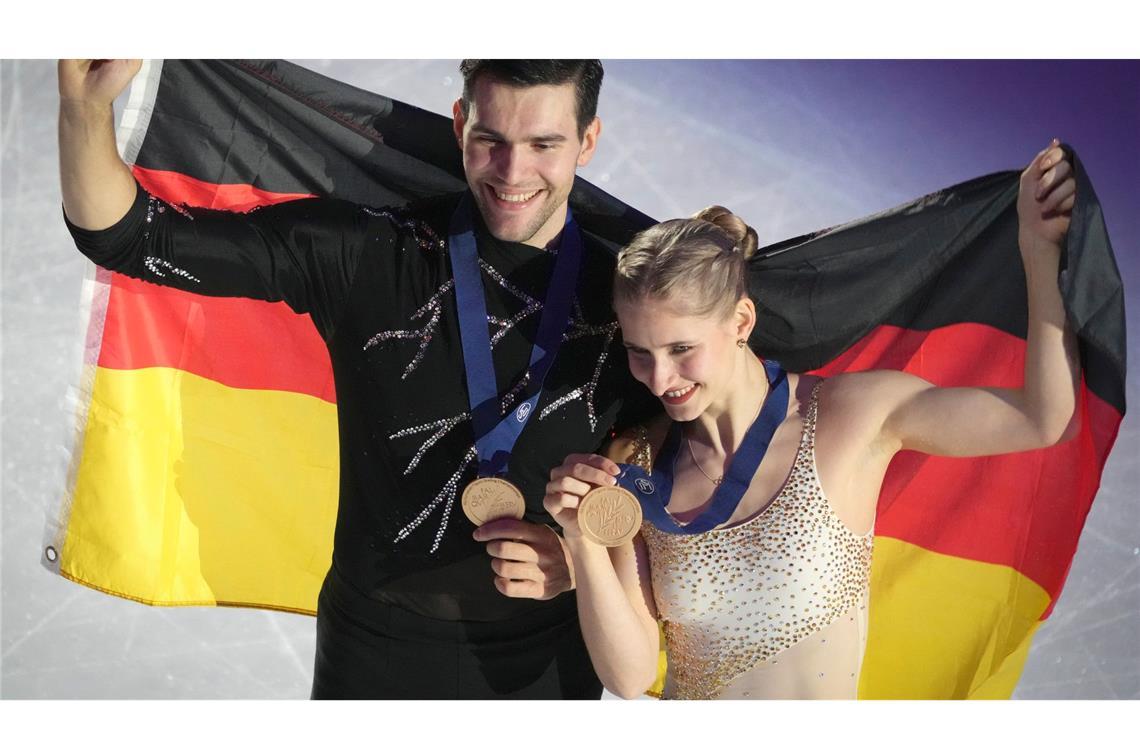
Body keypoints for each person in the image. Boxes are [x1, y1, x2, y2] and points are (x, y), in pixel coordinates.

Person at [58, 58, 655, 699]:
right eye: (490, 141)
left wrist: (580, 562)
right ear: (460, 126)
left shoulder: (635, 300)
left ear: (587, 142)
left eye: (544, 145)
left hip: (544, 669)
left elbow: (681, 437)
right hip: (371, 658)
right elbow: (129, 239)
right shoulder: (369, 253)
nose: (513, 173)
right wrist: (84, 109)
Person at [543, 140, 1079, 699]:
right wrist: (580, 539)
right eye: (639, 351)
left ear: (741, 320)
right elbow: (628, 678)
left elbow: (1039, 418)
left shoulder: (853, 416)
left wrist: (1038, 253)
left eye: (682, 349)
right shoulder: (636, 460)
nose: (659, 378)